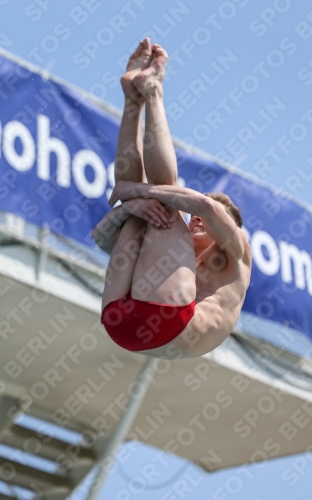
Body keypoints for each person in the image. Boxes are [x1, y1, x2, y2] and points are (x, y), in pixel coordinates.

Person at [92, 38, 252, 359]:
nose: (196, 219)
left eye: (206, 224)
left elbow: (204, 205)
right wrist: (133, 203)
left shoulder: (237, 254)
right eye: (196, 217)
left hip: (164, 321)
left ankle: (154, 92)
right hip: (120, 321)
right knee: (144, 210)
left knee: (164, 201)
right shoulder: (175, 259)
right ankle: (132, 101)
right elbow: (101, 237)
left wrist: (140, 192)